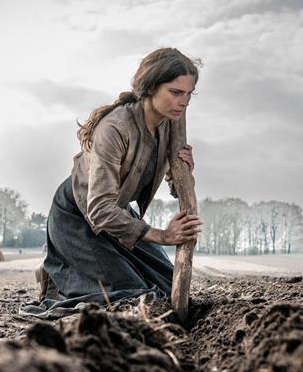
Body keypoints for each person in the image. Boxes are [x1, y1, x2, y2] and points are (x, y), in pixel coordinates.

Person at [20, 48, 202, 319]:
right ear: (150, 87)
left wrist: (184, 171)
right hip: (78, 216)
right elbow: (99, 209)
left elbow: (174, 187)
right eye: (175, 93)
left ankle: (70, 271)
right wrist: (163, 236)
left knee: (167, 285)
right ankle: (58, 276)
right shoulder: (115, 128)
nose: (183, 102)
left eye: (189, 94)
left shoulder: (170, 124)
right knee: (129, 296)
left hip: (117, 214)